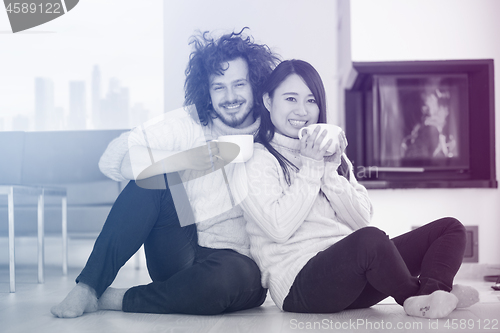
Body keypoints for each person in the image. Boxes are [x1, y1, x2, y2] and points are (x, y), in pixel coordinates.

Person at [51, 29, 280, 318]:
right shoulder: (191, 124)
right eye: (219, 87)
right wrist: (190, 159)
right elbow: (114, 159)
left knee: (223, 281)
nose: (230, 96)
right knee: (155, 177)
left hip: (238, 264)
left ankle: (117, 298)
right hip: (181, 248)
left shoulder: (271, 133)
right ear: (207, 92)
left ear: (255, 85)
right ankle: (88, 287)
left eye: (239, 84)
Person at [234, 59, 479, 317]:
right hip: (300, 287)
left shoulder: (328, 154)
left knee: (449, 228)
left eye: (311, 100)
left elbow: (361, 219)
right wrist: (312, 169)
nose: (302, 111)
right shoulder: (255, 159)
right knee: (370, 240)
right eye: (291, 99)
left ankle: (433, 293)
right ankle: (415, 297)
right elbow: (278, 228)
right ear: (268, 101)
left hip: (353, 276)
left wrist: (329, 172)